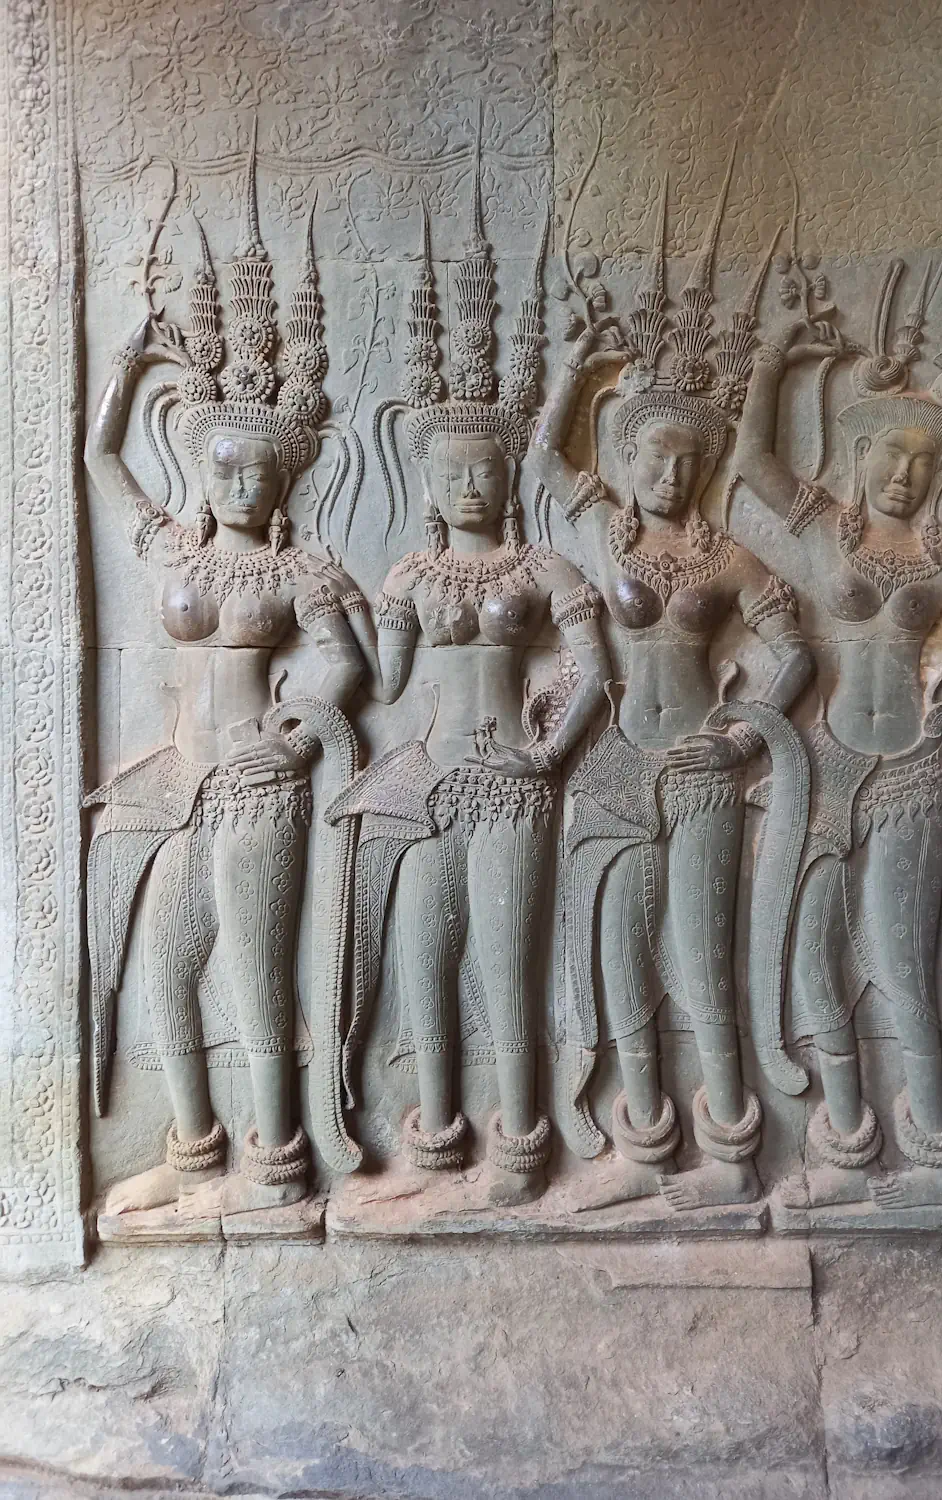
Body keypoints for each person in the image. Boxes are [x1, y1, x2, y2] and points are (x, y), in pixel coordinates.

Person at [730, 260, 942, 1210]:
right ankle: (845, 1147)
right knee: (812, 964)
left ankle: (933, 1157)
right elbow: (752, 465)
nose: (902, 474)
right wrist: (775, 359)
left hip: (911, 771)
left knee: (901, 965)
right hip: (823, 765)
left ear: (941, 471)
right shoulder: (824, 529)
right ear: (860, 451)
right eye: (888, 454)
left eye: (922, 461)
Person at [85, 149, 372, 1217]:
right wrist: (127, 368)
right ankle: (194, 1151)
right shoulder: (176, 551)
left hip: (259, 787)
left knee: (256, 977)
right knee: (167, 969)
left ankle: (276, 1164)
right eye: (225, 467)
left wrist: (295, 733)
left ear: (286, 477)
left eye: (261, 469)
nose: (243, 482)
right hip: (180, 786)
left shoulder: (297, 572)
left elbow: (344, 661)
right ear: (202, 470)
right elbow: (102, 463)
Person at [526, 177, 814, 1211]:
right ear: (629, 452)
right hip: (612, 765)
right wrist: (574, 371)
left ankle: (732, 1151)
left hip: (698, 765)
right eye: (656, 452)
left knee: (700, 959)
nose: (672, 472)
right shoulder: (605, 529)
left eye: (690, 459)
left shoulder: (727, 558)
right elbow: (541, 459)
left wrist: (742, 739)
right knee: (619, 958)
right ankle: (644, 1145)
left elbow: (794, 651)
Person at [330, 189, 610, 1208]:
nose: (470, 487)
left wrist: (550, 749)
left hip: (513, 784)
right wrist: (342, 619)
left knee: (505, 968)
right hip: (427, 782)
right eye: (452, 473)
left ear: (506, 477)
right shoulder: (409, 576)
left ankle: (523, 1148)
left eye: (485, 470)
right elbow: (385, 683)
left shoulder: (541, 567)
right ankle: (437, 1142)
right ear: (428, 484)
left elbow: (594, 667)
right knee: (424, 963)